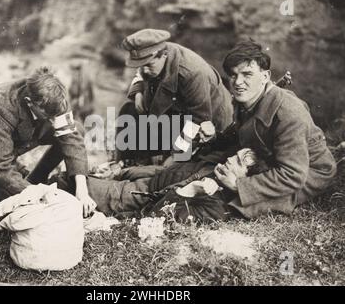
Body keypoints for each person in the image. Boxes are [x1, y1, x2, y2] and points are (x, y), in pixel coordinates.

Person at [0, 67, 96, 216]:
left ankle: (35, 179)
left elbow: (71, 137)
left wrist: (82, 191)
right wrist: (38, 196)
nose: (56, 121)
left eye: (56, 115)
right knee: (14, 207)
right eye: (50, 116)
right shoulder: (1, 106)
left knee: (78, 130)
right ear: (30, 102)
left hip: (15, 135)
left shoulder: (55, 97)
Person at [210, 39, 337, 218]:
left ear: (265, 77)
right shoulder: (247, 99)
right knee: (205, 168)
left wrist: (239, 185)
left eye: (247, 74)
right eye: (232, 74)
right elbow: (243, 131)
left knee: (228, 206)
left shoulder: (288, 113)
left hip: (307, 171)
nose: (238, 82)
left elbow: (292, 174)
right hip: (268, 157)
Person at [51, 148, 266, 223]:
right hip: (146, 180)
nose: (230, 160)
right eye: (235, 156)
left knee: (65, 181)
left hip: (139, 195)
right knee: (82, 175)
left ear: (245, 180)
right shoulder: (212, 168)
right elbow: (167, 173)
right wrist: (120, 171)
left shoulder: (216, 205)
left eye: (238, 163)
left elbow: (157, 217)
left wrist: (190, 191)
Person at [116, 28, 233, 164]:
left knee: (172, 167)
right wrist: (138, 91)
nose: (145, 70)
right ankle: (124, 165)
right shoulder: (154, 53)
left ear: (164, 55)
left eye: (148, 65)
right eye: (142, 66)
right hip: (177, 110)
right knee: (129, 110)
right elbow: (141, 71)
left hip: (209, 125)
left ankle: (152, 165)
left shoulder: (192, 73)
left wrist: (176, 155)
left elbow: (198, 121)